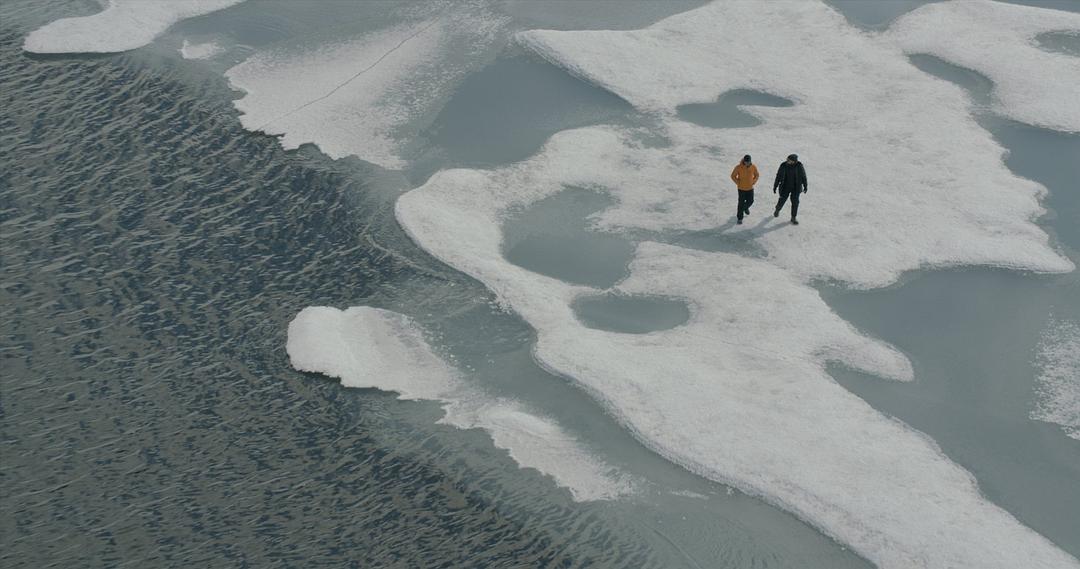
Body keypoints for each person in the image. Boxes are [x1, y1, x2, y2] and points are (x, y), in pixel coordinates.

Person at [773, 153, 808, 225]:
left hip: (796, 188)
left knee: (795, 203)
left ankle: (793, 217)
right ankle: (777, 209)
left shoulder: (799, 166)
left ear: (794, 161)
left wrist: (805, 186)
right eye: (787, 159)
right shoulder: (783, 165)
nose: (787, 161)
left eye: (789, 160)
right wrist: (775, 186)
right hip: (785, 186)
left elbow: (803, 176)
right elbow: (778, 176)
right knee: (782, 200)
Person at [730, 154, 759, 225]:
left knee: (751, 201)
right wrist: (738, 182)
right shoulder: (738, 167)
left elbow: (757, 175)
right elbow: (733, 176)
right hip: (741, 189)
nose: (747, 163)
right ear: (744, 161)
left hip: (750, 188)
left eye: (748, 162)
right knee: (741, 203)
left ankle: (745, 208)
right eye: (746, 162)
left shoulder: (753, 167)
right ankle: (740, 218)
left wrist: (754, 181)